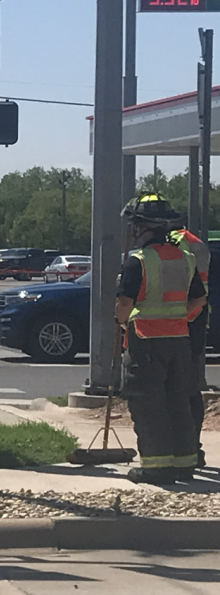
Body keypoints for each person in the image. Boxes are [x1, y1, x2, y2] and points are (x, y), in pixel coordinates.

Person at [116, 194, 208, 485]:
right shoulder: (186, 257)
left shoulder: (138, 261)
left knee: (148, 403)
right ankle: (184, 463)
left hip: (145, 340)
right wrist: (179, 319)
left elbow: (123, 306)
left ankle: (156, 467)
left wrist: (122, 323)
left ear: (144, 227)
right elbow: (199, 300)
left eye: (135, 225)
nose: (133, 231)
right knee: (178, 400)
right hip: (179, 339)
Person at [168, 215, 211, 469]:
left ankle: (182, 448)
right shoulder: (197, 243)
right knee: (190, 388)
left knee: (175, 389)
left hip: (177, 323)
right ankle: (192, 448)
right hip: (193, 322)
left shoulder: (176, 245)